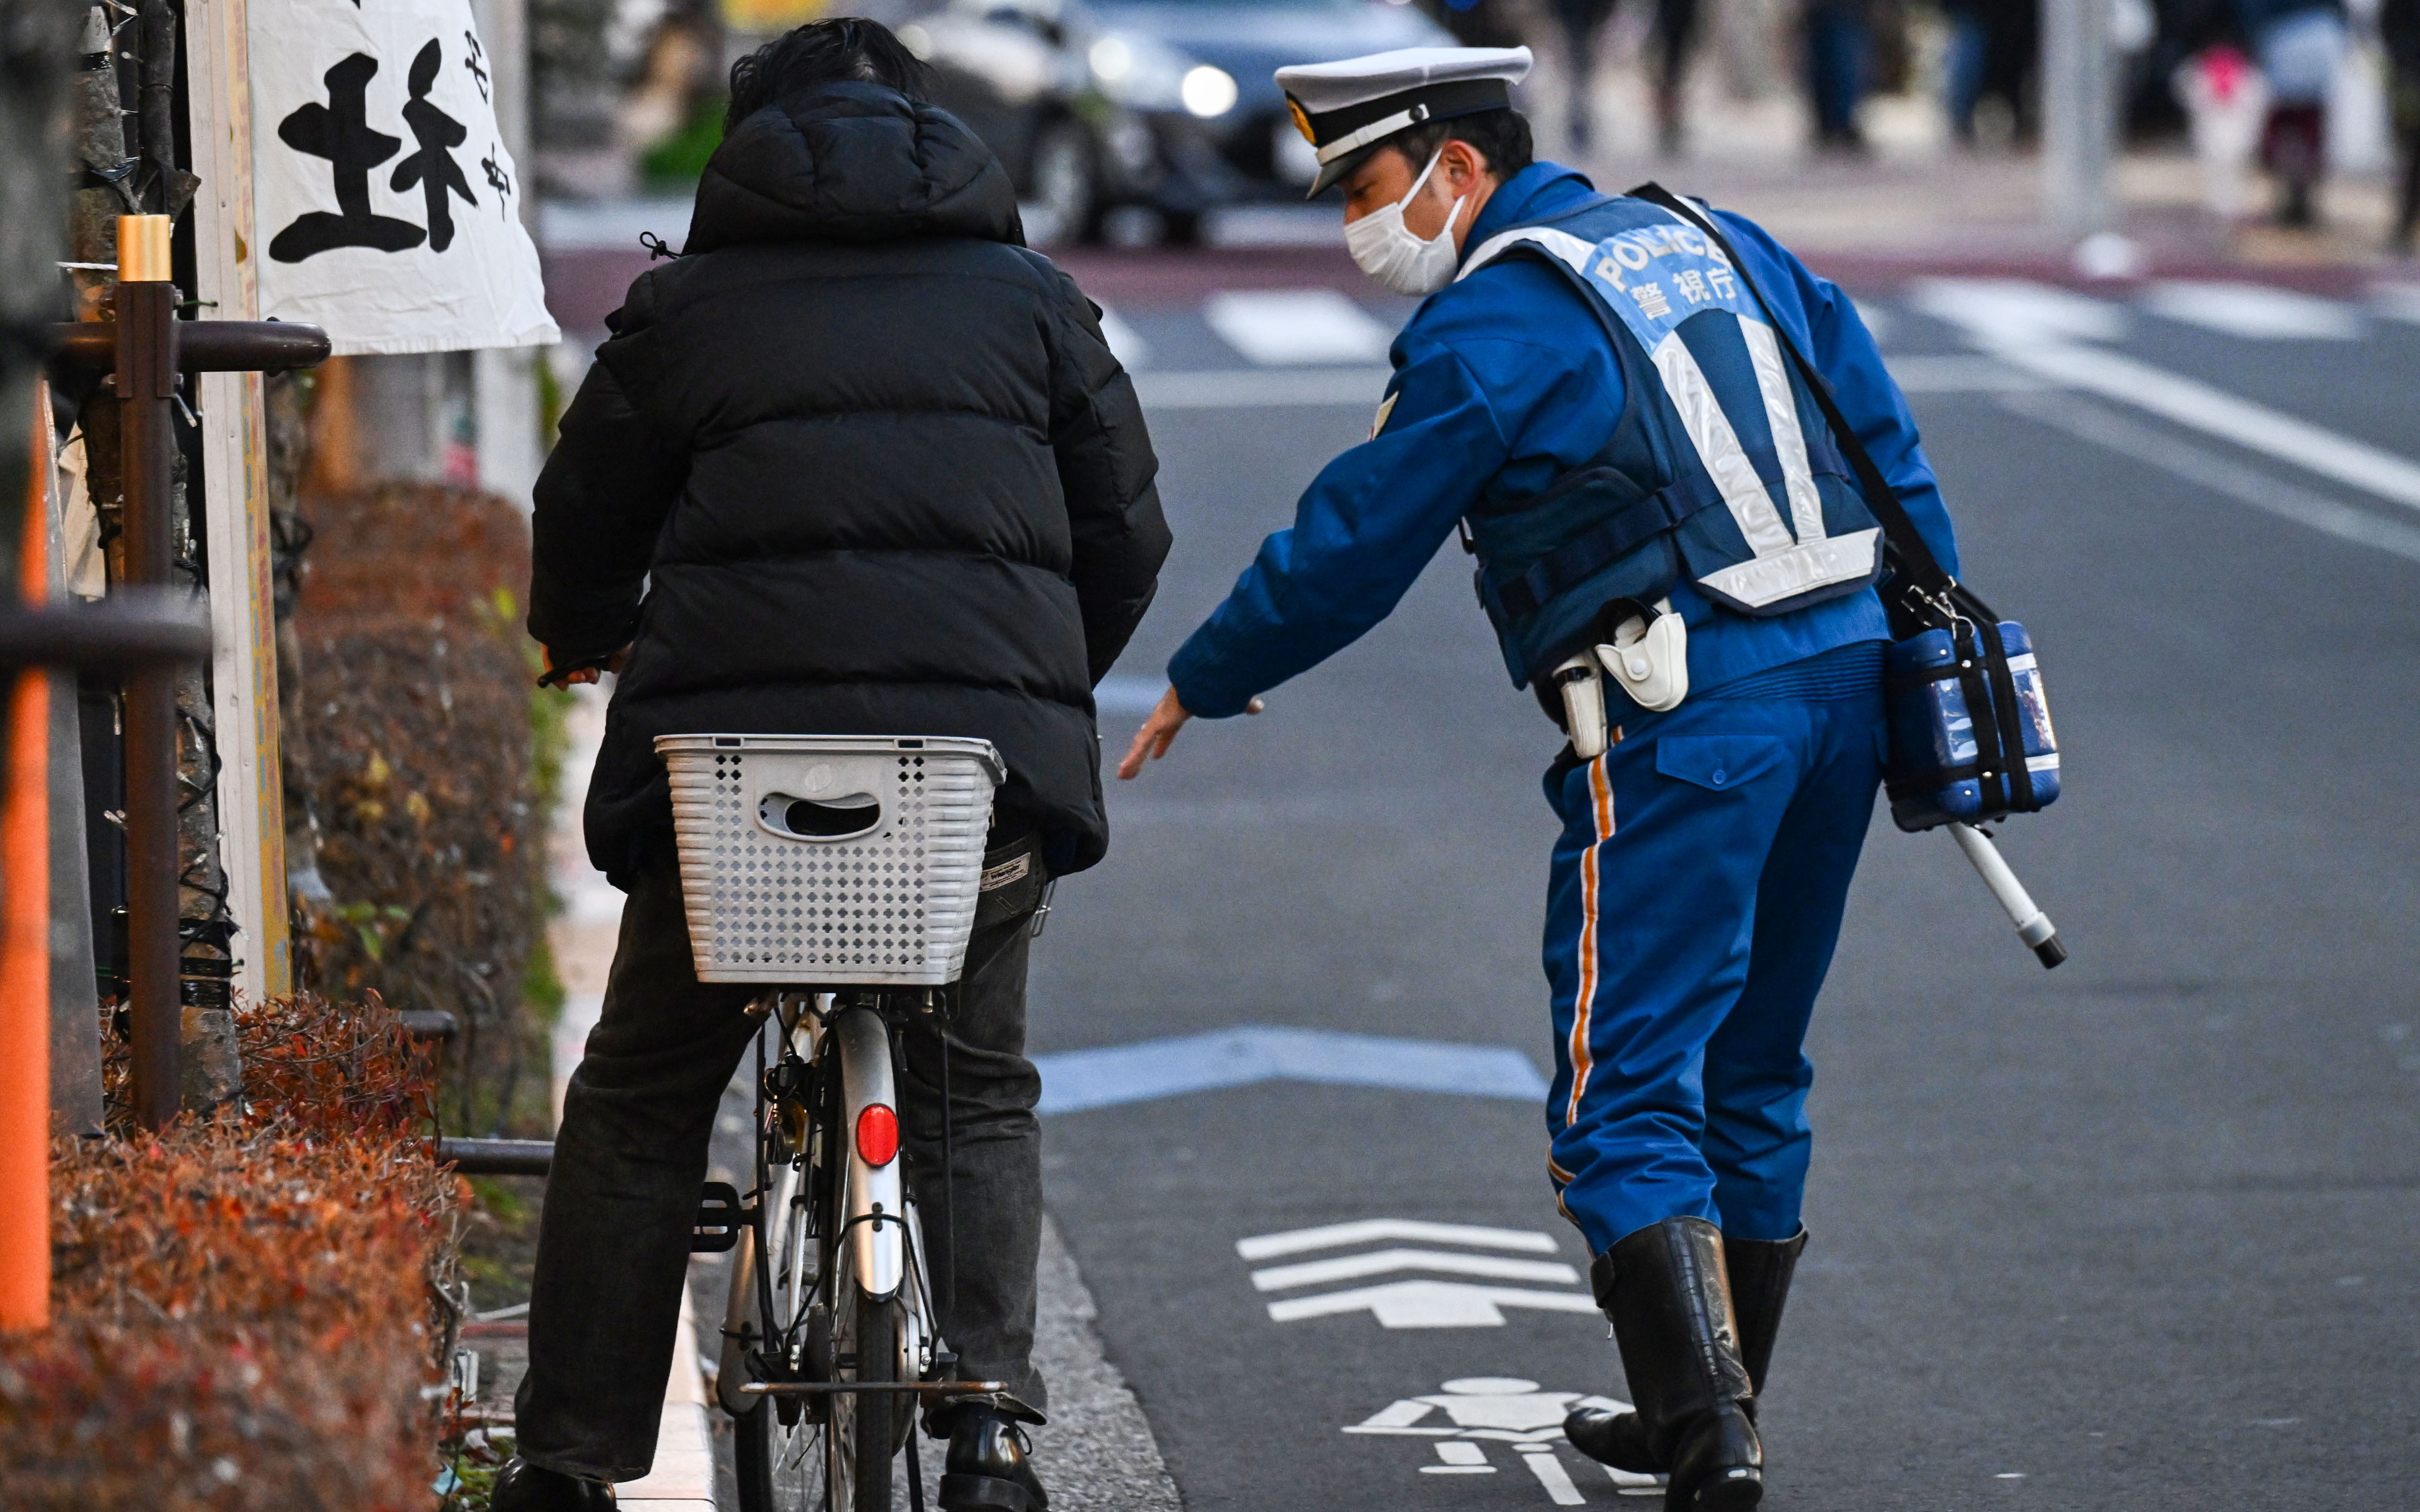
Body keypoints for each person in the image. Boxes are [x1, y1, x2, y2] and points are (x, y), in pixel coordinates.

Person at [1118, 44, 1957, 1511]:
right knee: (1755, 1060)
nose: (1357, 227)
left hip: (1687, 713)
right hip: (1848, 679)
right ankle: (1711, 1402)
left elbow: (1357, 535)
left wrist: (1211, 667)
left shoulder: (1498, 321)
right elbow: (1876, 424)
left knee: (1624, 1085)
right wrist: (1934, 614)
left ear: (1458, 167)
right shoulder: (1709, 233)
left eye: (1368, 187)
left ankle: (1710, 1440)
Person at [499, 18, 1170, 1512]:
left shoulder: (685, 309)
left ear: (753, 147)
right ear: (938, 143)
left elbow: (587, 523)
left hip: (731, 784)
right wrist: (1034, 669)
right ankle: (991, 1427)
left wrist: (578, 640)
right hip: (970, 781)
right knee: (975, 1083)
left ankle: (567, 1462)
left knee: (645, 1091)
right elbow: (1127, 529)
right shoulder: (1037, 301)